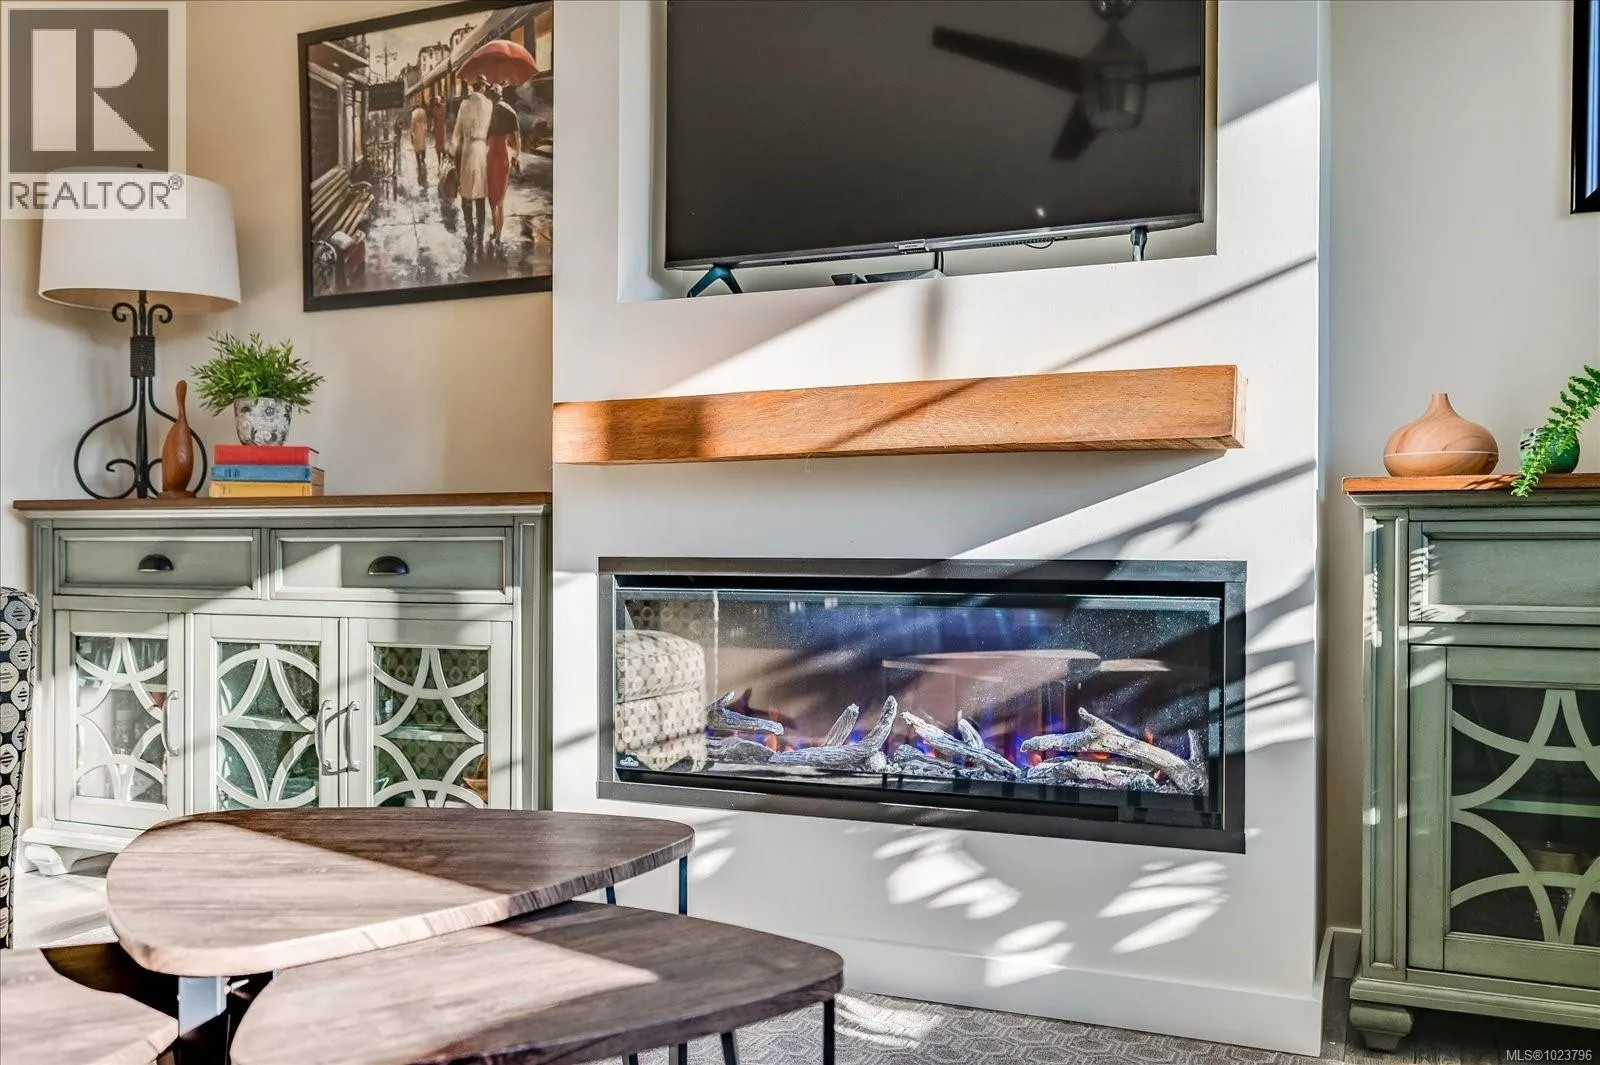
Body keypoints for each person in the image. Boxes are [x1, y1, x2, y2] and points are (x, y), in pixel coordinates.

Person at [450, 77, 493, 246]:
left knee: (466, 193)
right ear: (482, 86)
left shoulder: (464, 104)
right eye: (485, 86)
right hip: (482, 151)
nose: (486, 88)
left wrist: (452, 151)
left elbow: (457, 133)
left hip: (467, 152)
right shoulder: (489, 104)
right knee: (481, 195)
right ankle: (481, 232)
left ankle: (470, 230)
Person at [484, 85, 522, 243]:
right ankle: (498, 233)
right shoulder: (510, 111)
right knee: (500, 198)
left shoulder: (488, 112)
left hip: (491, 155)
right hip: (504, 155)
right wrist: (517, 157)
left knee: (492, 197)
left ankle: (495, 231)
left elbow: (485, 139)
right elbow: (517, 138)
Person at [409, 101, 429, 187]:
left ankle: (418, 162)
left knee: (417, 148)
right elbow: (426, 121)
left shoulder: (413, 113)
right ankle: (423, 159)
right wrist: (426, 130)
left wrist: (411, 134)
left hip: (416, 131)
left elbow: (412, 125)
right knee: (423, 145)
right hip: (423, 130)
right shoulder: (423, 111)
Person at [432, 95, 447, 167]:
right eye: (435, 101)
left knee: (442, 144)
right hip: (437, 129)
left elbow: (445, 117)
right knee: (438, 145)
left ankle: (442, 159)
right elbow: (434, 119)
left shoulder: (443, 107)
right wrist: (433, 127)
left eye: (437, 100)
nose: (436, 102)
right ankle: (439, 160)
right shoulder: (435, 109)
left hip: (441, 128)